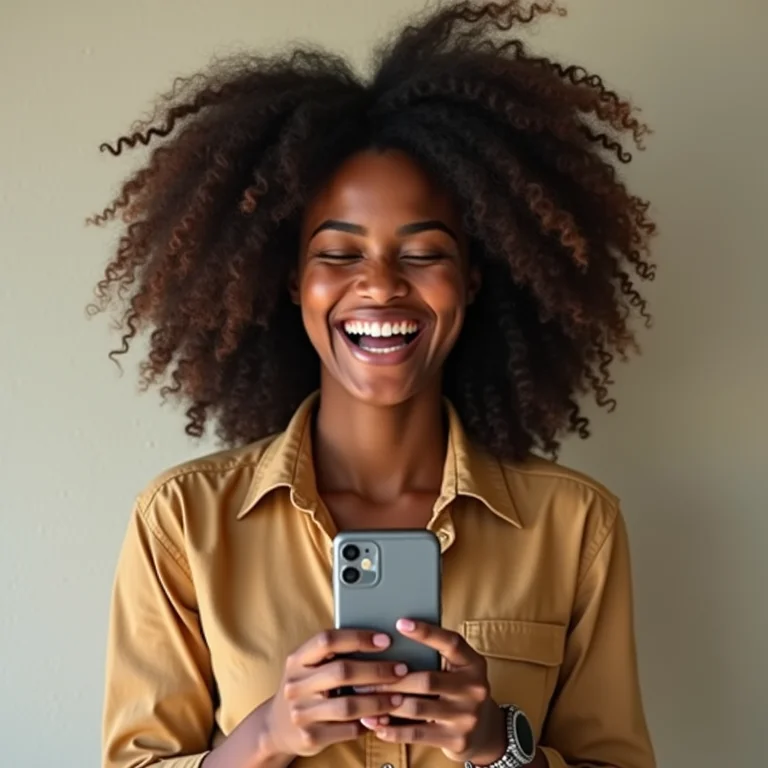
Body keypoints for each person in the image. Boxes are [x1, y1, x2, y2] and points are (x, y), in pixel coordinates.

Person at [90, 2, 657, 767]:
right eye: (339, 254)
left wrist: (501, 746)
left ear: (474, 279)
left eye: (423, 253)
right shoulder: (182, 525)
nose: (382, 287)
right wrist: (267, 737)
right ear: (292, 281)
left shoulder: (575, 527)